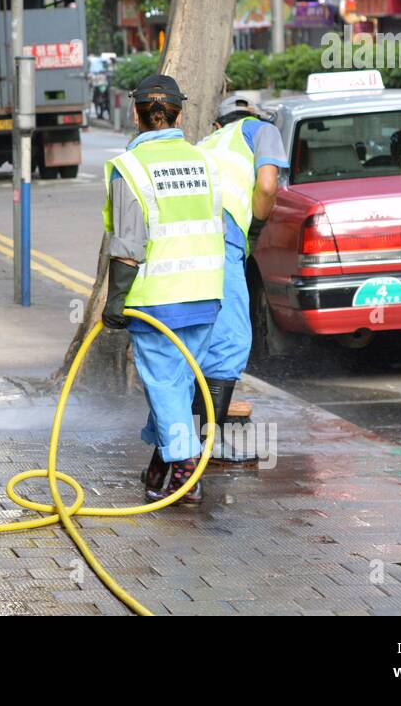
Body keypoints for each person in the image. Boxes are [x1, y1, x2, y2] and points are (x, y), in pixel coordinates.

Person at [101, 75, 225, 505]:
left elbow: (128, 244)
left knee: (164, 385)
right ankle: (163, 461)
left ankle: (187, 468)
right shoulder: (206, 162)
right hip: (206, 292)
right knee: (177, 383)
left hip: (157, 298)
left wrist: (114, 302)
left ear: (135, 114)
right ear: (180, 112)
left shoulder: (130, 168)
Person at [193, 94, 288, 462]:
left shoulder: (205, 143)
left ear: (218, 123)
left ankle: (185, 445)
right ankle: (208, 446)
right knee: (230, 340)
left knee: (197, 339)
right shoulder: (260, 130)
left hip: (185, 239)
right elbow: (267, 186)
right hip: (223, 235)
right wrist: (255, 228)